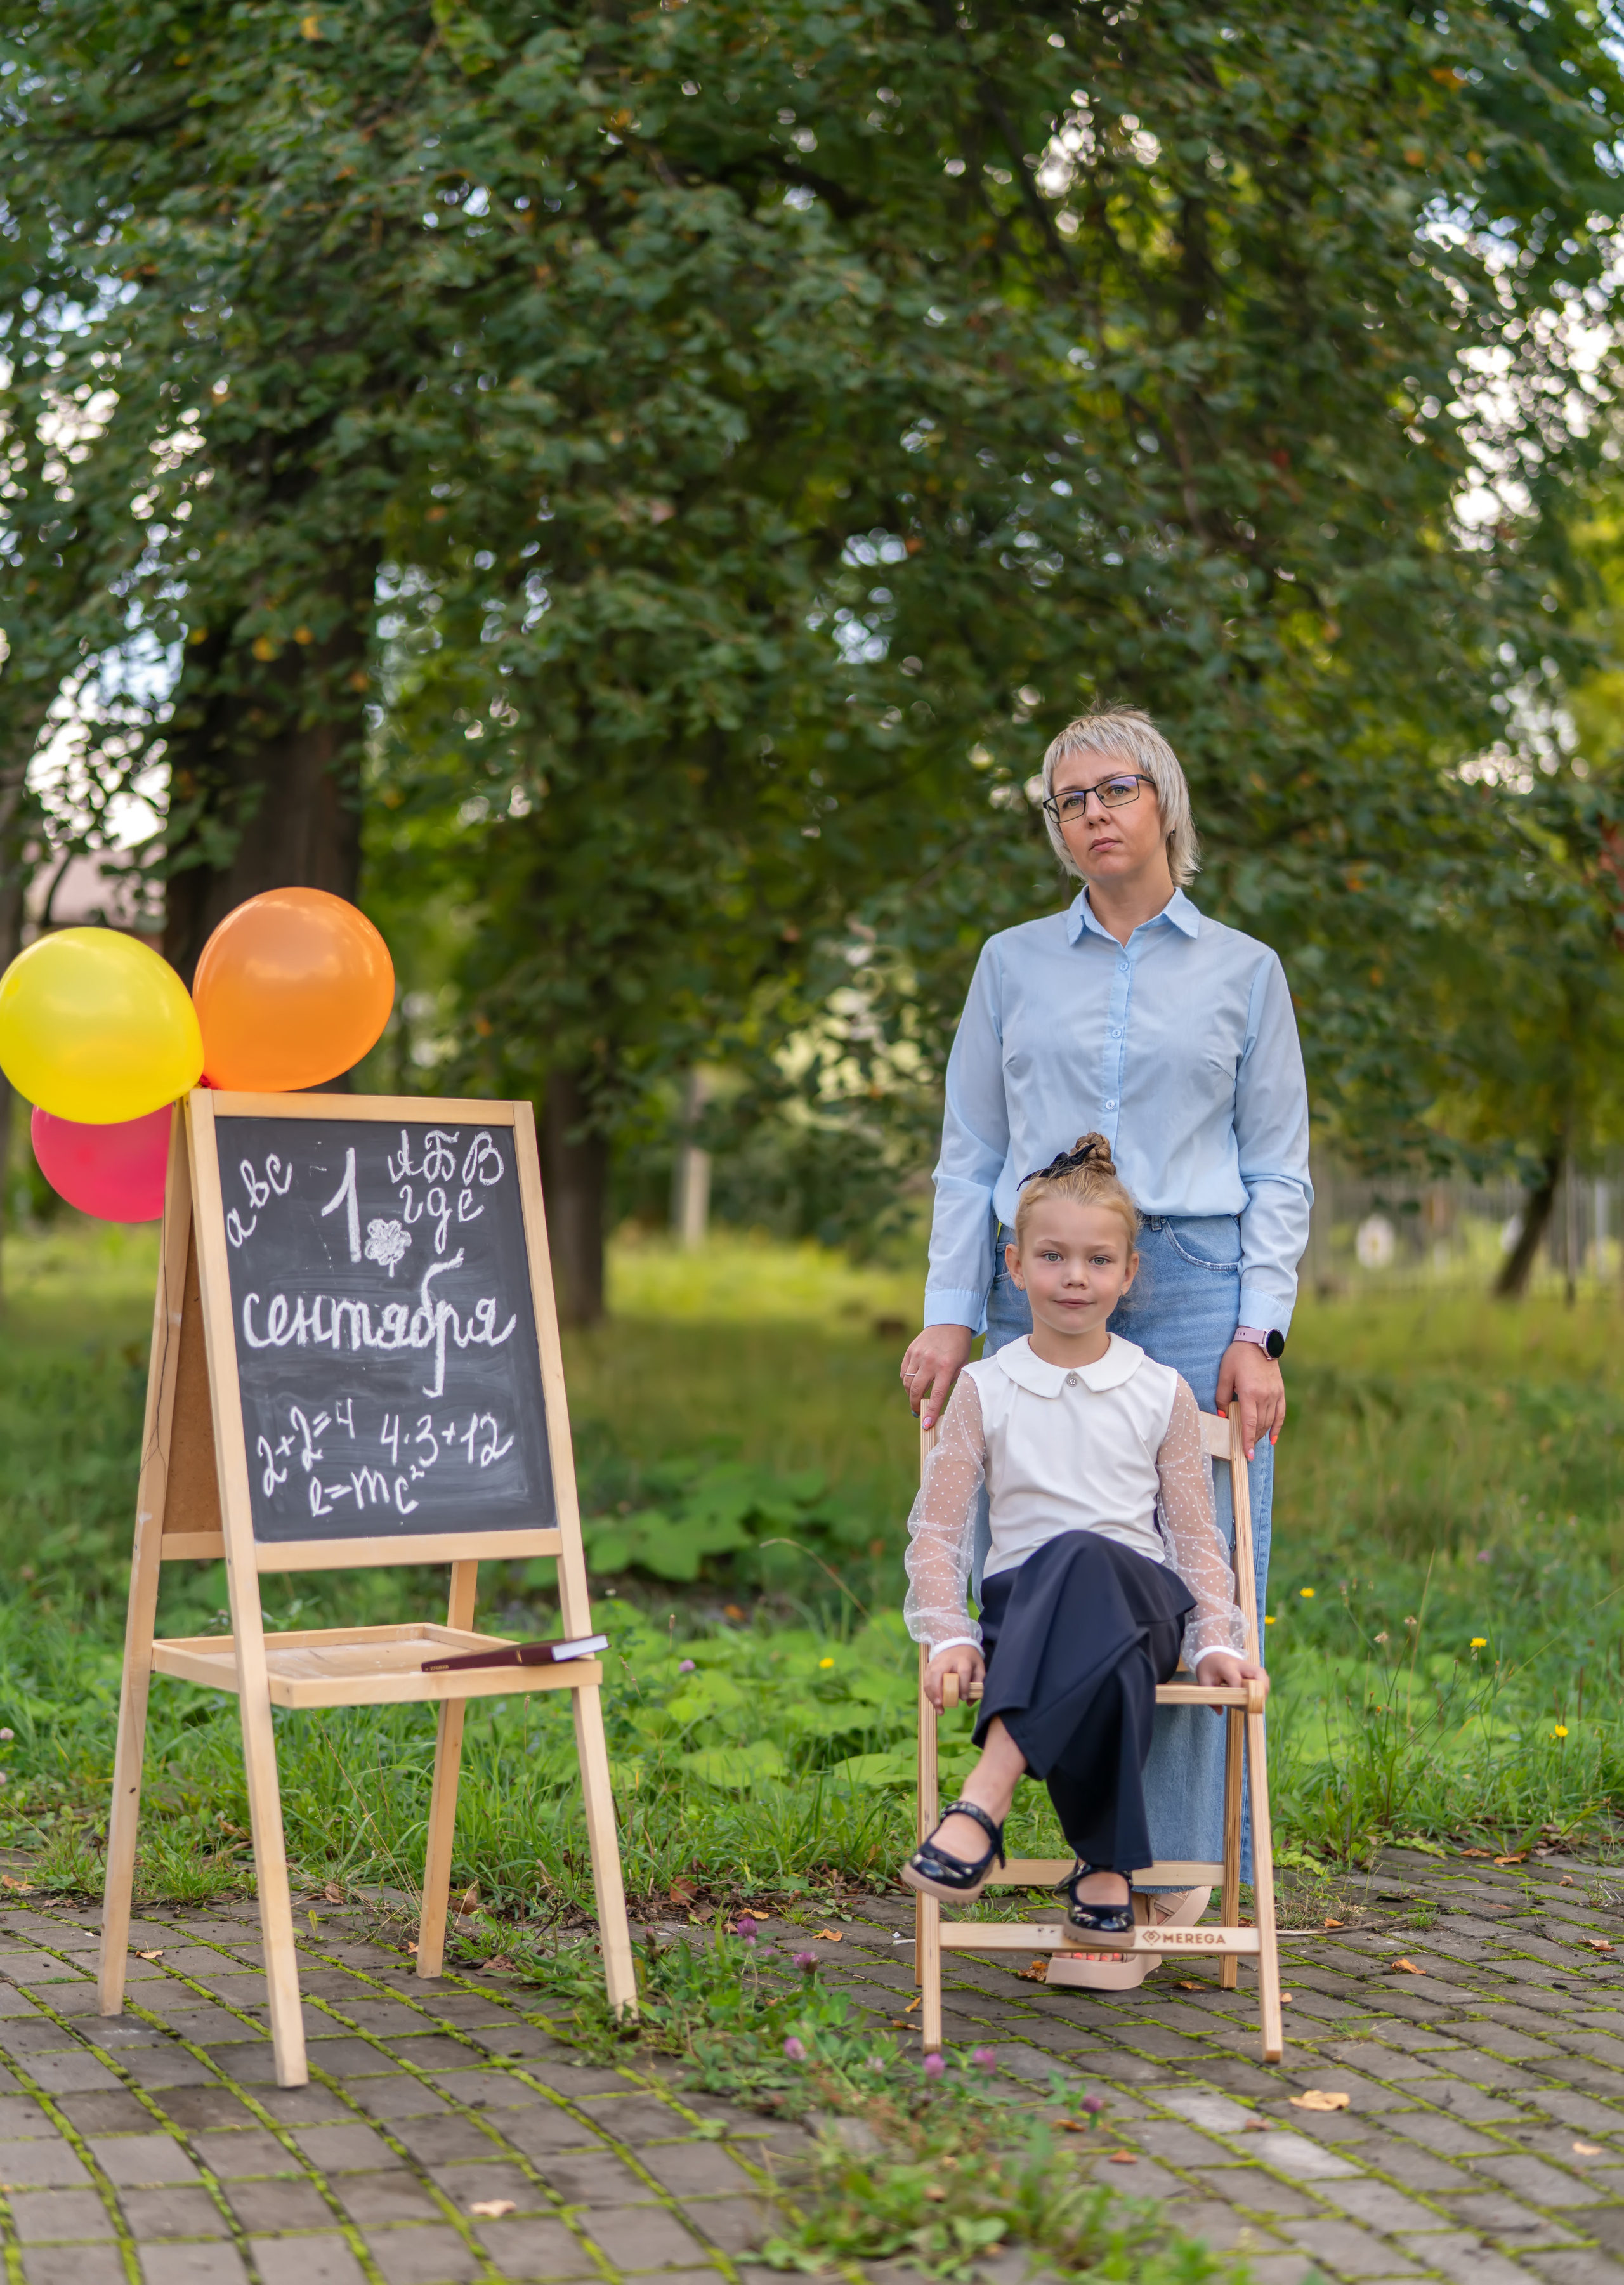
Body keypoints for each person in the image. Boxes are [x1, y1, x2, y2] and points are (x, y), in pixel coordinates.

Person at [900, 705, 1309, 1978]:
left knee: (1189, 1587)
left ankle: (1163, 1884)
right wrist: (949, 1306)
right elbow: (970, 1156)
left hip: (1186, 1279)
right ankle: (1085, 1854)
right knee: (1026, 1542)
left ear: (1162, 803)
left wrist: (1258, 1327)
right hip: (1041, 1271)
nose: (1088, 813)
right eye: (1065, 798)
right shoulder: (1010, 963)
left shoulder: (1242, 969)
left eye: (1112, 788)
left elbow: (1277, 1169)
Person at [901, 1137, 1267, 1928]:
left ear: (1129, 1272)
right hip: (1026, 1616)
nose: (1075, 1276)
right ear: (1013, 1263)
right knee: (1080, 1601)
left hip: (1145, 1606)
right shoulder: (984, 1386)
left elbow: (1196, 1541)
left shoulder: (1158, 1389)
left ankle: (985, 1796)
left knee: (1089, 1555)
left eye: (1098, 1260)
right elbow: (937, 1533)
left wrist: (1215, 1640)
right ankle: (1107, 1866)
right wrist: (949, 1633)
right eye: (1053, 1256)